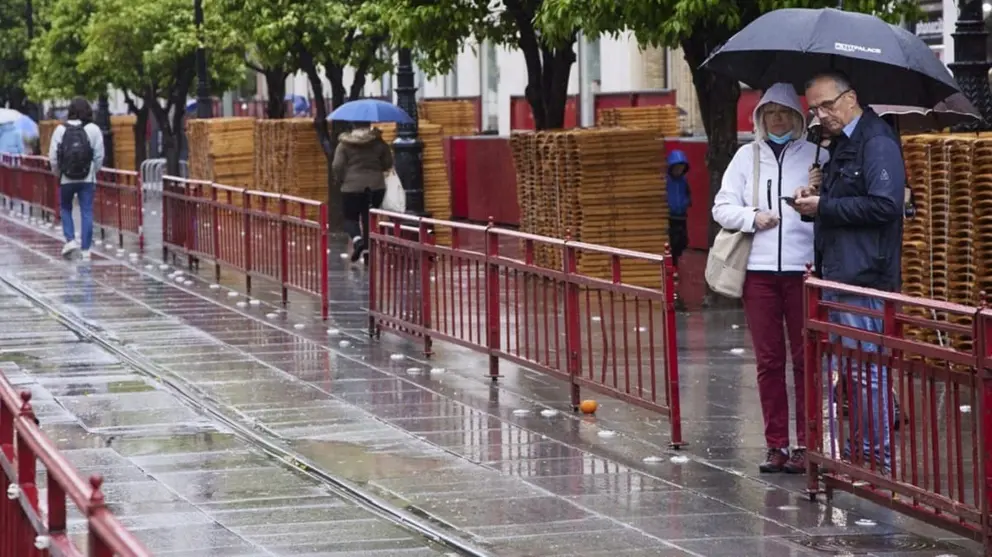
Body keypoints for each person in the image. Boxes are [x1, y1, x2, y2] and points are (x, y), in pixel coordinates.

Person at [712, 83, 827, 474]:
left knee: (805, 360)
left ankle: (805, 445)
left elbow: (836, 209)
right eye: (770, 113)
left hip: (803, 271)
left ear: (798, 118)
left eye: (784, 113)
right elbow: (722, 207)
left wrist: (819, 191)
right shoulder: (746, 157)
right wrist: (752, 217)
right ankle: (776, 444)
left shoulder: (818, 156)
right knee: (769, 361)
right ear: (760, 118)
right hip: (758, 273)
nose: (777, 119)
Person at [794, 71, 905, 471]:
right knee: (855, 371)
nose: (821, 115)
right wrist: (817, 194)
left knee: (865, 372)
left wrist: (824, 206)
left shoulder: (875, 141)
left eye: (827, 104)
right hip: (841, 270)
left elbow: (885, 205)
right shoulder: (842, 144)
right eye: (814, 109)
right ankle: (861, 458)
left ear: (851, 97)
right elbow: (847, 203)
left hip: (864, 274)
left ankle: (876, 463)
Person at [49, 97, 104, 260]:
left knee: (65, 208)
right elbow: (99, 155)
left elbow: (53, 156)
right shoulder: (93, 129)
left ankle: (70, 240)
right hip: (87, 178)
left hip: (66, 178)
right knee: (87, 210)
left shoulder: (60, 130)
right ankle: (86, 249)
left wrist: (58, 173)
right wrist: (94, 171)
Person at [332, 122, 393, 263]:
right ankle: (367, 253)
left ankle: (358, 241)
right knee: (368, 220)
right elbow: (388, 162)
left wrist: (341, 179)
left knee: (349, 219)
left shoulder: (344, 144)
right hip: (376, 186)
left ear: (353, 126)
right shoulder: (378, 142)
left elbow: (337, 165)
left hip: (352, 187)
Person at [665, 150, 691, 270]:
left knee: (682, 241)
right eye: (677, 167)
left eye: (681, 168)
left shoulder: (683, 181)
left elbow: (687, 194)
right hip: (670, 217)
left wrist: (687, 203)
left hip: (682, 216)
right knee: (672, 243)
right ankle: (672, 267)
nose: (679, 170)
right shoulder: (666, 181)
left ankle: (675, 265)